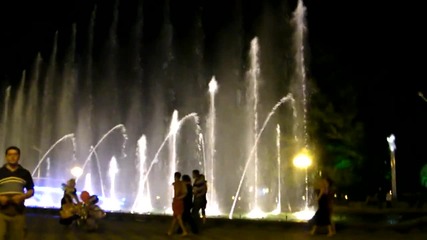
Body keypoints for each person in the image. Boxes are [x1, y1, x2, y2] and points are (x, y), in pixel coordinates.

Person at [0, 146, 35, 240]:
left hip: (18, 212)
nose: (12, 157)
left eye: (15, 154)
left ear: (19, 156)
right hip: (1, 212)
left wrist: (23, 196)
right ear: (6, 157)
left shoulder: (24, 173)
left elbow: (31, 190)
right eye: (10, 154)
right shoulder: (0, 172)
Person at [167, 172, 188, 236]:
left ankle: (184, 231)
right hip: (178, 201)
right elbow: (185, 192)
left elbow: (185, 193)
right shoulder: (181, 183)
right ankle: (170, 231)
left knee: (178, 217)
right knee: (175, 217)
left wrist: (178, 198)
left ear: (175, 176)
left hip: (177, 202)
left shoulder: (177, 184)